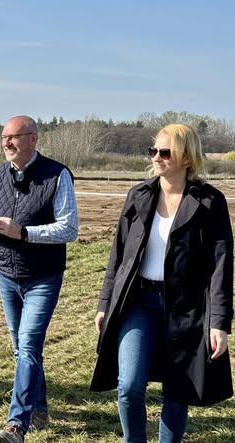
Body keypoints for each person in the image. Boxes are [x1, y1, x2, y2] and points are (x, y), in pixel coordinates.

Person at [90, 123, 233, 443]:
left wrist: (218, 322)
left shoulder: (210, 202)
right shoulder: (139, 195)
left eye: (165, 152)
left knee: (177, 390)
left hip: (187, 309)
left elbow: (221, 265)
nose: (156, 157)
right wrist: (105, 302)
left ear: (187, 158)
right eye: (153, 150)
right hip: (138, 302)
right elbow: (119, 255)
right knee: (129, 386)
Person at [0, 116, 78, 443]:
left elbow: (69, 228)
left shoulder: (57, 175)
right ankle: (39, 409)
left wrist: (24, 232)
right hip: (7, 273)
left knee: (28, 345)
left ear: (33, 138)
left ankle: (16, 425)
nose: (7, 143)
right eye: (4, 137)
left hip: (43, 276)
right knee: (21, 348)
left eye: (14, 137)